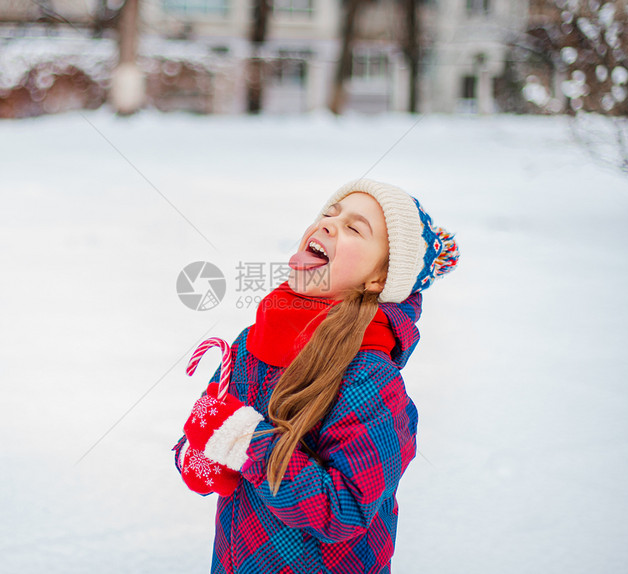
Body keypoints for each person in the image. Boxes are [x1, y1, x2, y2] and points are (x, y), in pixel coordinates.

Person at [172, 178, 459, 574]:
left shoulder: (370, 378)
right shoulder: (251, 342)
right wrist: (199, 455)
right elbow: (208, 430)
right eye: (328, 213)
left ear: (378, 280)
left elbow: (343, 511)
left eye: (355, 228)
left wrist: (243, 441)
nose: (328, 224)